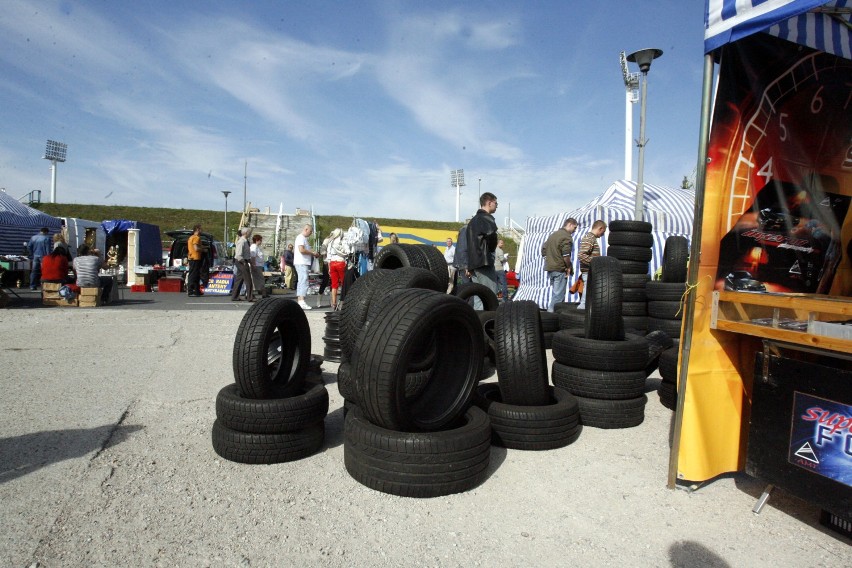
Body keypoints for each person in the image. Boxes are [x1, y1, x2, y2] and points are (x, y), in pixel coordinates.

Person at [465, 193, 499, 308]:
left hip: (474, 264)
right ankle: (490, 324)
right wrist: (492, 253)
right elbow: (491, 236)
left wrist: (469, 266)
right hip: (484, 262)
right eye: (496, 203)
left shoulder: (472, 221)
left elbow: (468, 245)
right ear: (489, 203)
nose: (497, 205)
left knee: (479, 299)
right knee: (490, 297)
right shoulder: (486, 218)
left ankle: (478, 324)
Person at [542, 217, 578, 312]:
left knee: (555, 294)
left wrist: (548, 259)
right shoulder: (566, 237)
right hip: (559, 269)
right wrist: (569, 267)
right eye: (575, 228)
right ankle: (551, 315)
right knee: (558, 296)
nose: (575, 231)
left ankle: (551, 315)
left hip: (551, 268)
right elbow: (566, 255)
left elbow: (543, 249)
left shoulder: (553, 235)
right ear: (569, 224)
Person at [576, 220, 607, 309]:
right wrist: (596, 263)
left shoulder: (591, 238)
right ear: (600, 228)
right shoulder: (589, 238)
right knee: (586, 298)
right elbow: (582, 255)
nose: (603, 234)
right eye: (603, 231)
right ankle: (582, 309)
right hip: (589, 271)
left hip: (591, 271)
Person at [322, 228, 349, 310]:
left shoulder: (330, 242)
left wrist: (329, 268)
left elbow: (328, 257)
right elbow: (347, 251)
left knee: (334, 285)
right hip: (340, 262)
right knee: (344, 284)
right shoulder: (342, 241)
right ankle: (343, 302)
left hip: (332, 263)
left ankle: (333, 303)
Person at [294, 224, 320, 310]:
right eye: (310, 231)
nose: (311, 233)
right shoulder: (301, 238)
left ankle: (300, 300)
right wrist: (312, 253)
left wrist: (312, 253)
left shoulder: (303, 238)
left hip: (302, 262)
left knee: (302, 280)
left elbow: (304, 250)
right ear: (306, 229)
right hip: (301, 262)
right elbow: (301, 250)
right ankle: (301, 301)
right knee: (303, 280)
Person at [230, 228, 254, 302]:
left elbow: (246, 253)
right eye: (249, 232)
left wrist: (249, 261)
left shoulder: (245, 241)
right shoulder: (241, 241)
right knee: (248, 280)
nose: (250, 234)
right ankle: (249, 297)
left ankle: (235, 296)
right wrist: (244, 262)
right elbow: (238, 254)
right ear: (246, 233)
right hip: (241, 261)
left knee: (239, 279)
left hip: (243, 260)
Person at [186, 224, 207, 297]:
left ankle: (197, 290)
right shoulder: (196, 238)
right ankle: (190, 291)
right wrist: (203, 250)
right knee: (193, 275)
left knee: (197, 275)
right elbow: (196, 248)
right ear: (197, 229)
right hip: (195, 258)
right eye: (201, 229)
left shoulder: (191, 237)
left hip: (192, 258)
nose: (201, 231)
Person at [250, 234, 268, 298]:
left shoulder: (257, 247)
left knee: (258, 279)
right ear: (257, 240)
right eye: (260, 240)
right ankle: (263, 292)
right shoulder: (254, 247)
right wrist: (254, 264)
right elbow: (253, 256)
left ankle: (262, 292)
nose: (261, 241)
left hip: (259, 265)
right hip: (256, 265)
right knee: (260, 279)